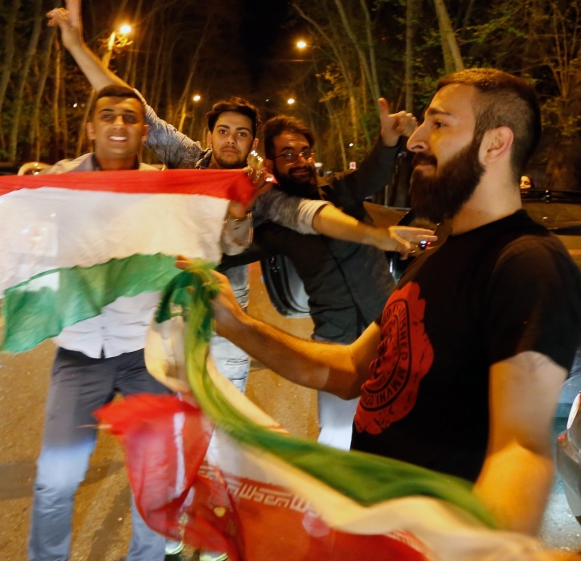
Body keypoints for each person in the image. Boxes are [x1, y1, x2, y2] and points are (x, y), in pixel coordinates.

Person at [186, 68, 581, 536]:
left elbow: (520, 449)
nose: (417, 139)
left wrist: (477, 548)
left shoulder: (525, 262)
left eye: (437, 124)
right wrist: (235, 323)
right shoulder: (435, 257)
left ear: (495, 144)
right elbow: (349, 370)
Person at [48, 0, 429, 402]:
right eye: (224, 130)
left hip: (225, 298)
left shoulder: (259, 188)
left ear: (252, 143)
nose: (231, 139)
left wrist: (377, 237)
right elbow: (132, 106)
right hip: (172, 292)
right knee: (174, 401)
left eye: (242, 133)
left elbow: (311, 214)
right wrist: (76, 45)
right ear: (210, 135)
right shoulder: (187, 159)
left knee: (229, 404)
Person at [254, 112, 419, 451]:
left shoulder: (340, 190)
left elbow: (372, 175)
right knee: (337, 438)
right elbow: (232, 245)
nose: (300, 161)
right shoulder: (275, 223)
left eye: (305, 152)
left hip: (388, 331)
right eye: (288, 153)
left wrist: (388, 140)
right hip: (335, 342)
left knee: (401, 428)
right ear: (270, 162)